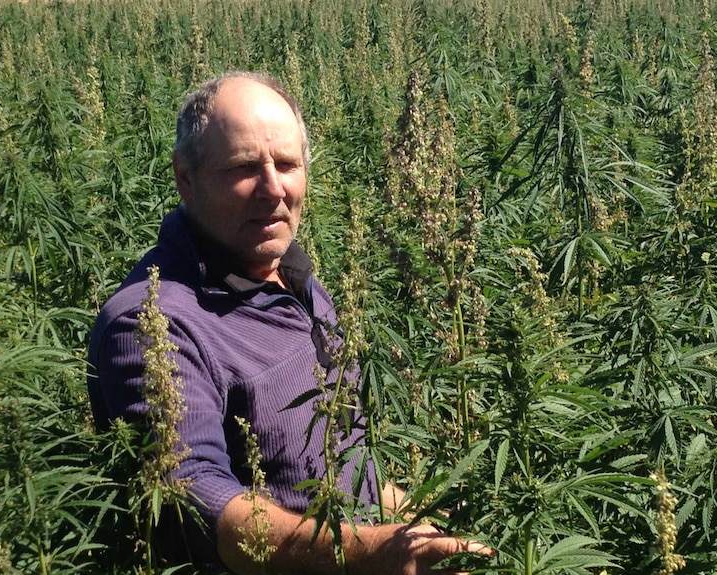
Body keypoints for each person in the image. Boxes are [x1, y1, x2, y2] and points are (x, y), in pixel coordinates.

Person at [87, 71, 492, 575]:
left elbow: (342, 452)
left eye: (287, 164)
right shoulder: (153, 323)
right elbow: (190, 499)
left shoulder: (293, 276)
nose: (273, 188)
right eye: (242, 167)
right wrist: (361, 554)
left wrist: (413, 521)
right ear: (184, 178)